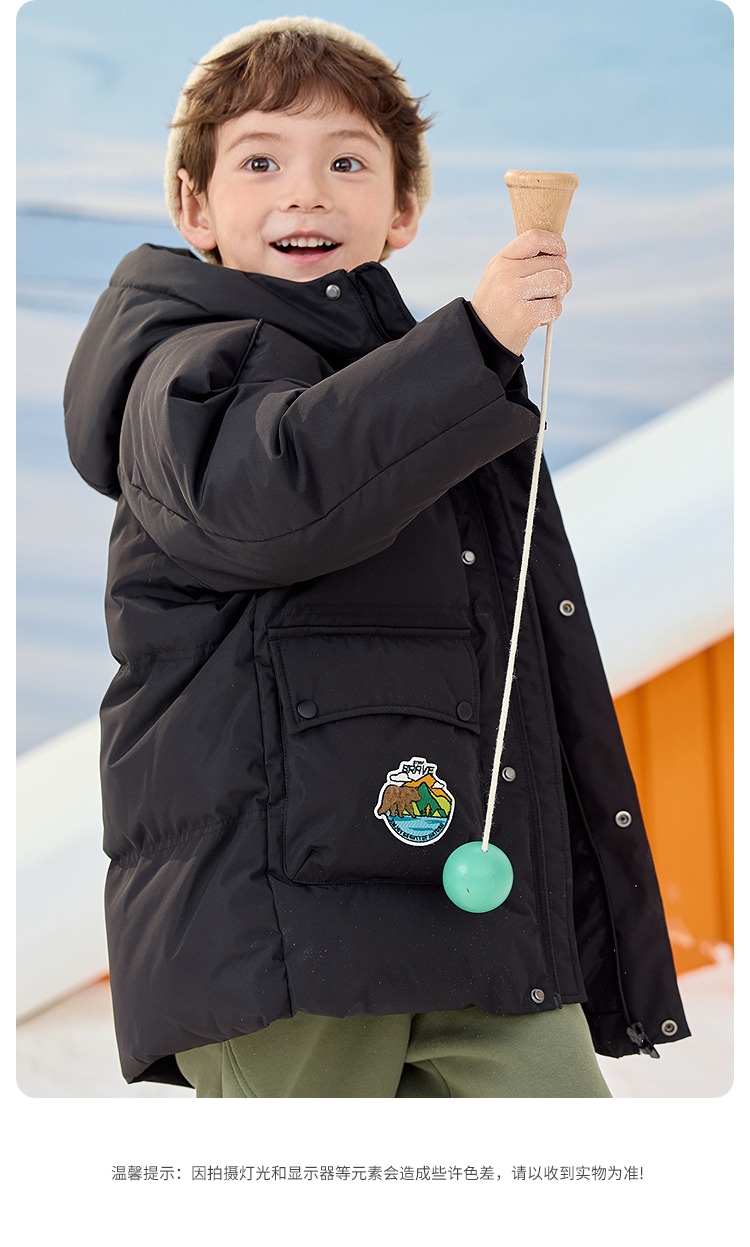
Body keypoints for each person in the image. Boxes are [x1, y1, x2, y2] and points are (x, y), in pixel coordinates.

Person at [64, 16, 688, 1097]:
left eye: (347, 163)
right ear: (195, 207)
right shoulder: (182, 368)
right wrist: (475, 342)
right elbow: (276, 492)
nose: (305, 193)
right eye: (261, 162)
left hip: (464, 902)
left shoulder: (423, 391)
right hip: (278, 930)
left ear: (403, 210)